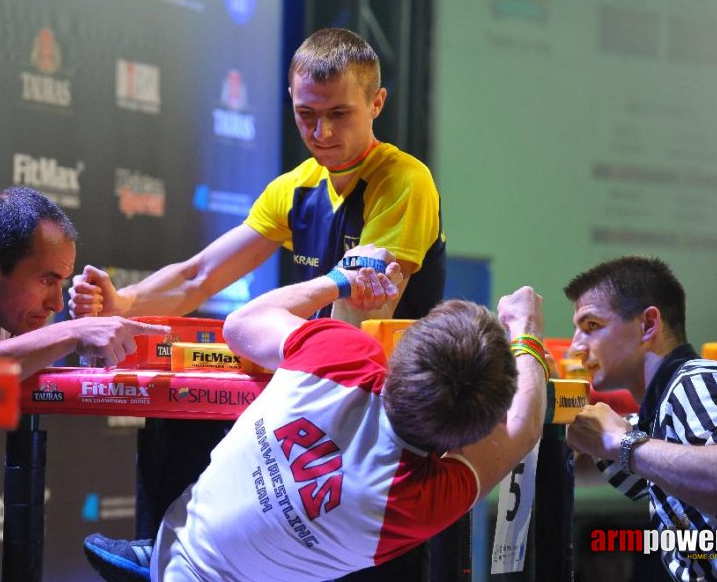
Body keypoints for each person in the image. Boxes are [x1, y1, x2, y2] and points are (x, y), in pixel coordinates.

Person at [74, 28, 446, 581]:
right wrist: (121, 301)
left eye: (339, 113)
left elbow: (357, 320)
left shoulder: (405, 180)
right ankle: (165, 552)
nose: (320, 131)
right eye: (305, 115)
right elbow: (200, 273)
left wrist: (336, 294)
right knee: (184, 407)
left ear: (377, 103)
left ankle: (178, 554)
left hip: (382, 407)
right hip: (314, 383)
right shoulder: (294, 188)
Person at [150, 246, 547, 580]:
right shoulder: (425, 501)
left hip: (173, 555)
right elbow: (524, 427)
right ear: (474, 432)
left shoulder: (343, 354)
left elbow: (241, 325)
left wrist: (341, 279)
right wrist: (525, 330)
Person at [0, 187, 167, 553]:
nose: (58, 302)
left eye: (62, 282)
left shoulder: (6, 321)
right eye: (47, 280)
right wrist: (72, 332)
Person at [563, 255, 717, 581]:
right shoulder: (659, 413)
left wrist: (622, 443)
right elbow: (582, 467)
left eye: (591, 326)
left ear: (648, 324)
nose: (575, 347)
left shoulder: (697, 381)